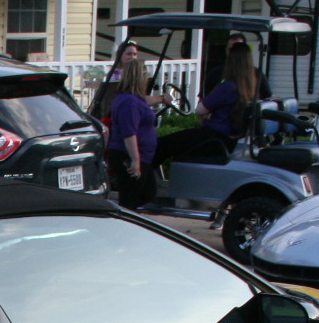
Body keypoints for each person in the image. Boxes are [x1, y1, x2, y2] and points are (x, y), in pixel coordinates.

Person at [154, 42, 259, 170]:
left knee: (162, 144)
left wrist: (209, 113)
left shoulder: (228, 87)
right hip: (229, 140)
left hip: (214, 138)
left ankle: (142, 181)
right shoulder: (250, 87)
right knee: (178, 142)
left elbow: (199, 110)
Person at [105, 58, 157, 210]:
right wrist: (135, 161)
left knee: (147, 192)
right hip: (127, 154)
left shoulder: (134, 99)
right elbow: (129, 133)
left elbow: (146, 102)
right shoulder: (129, 102)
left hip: (142, 154)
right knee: (130, 198)